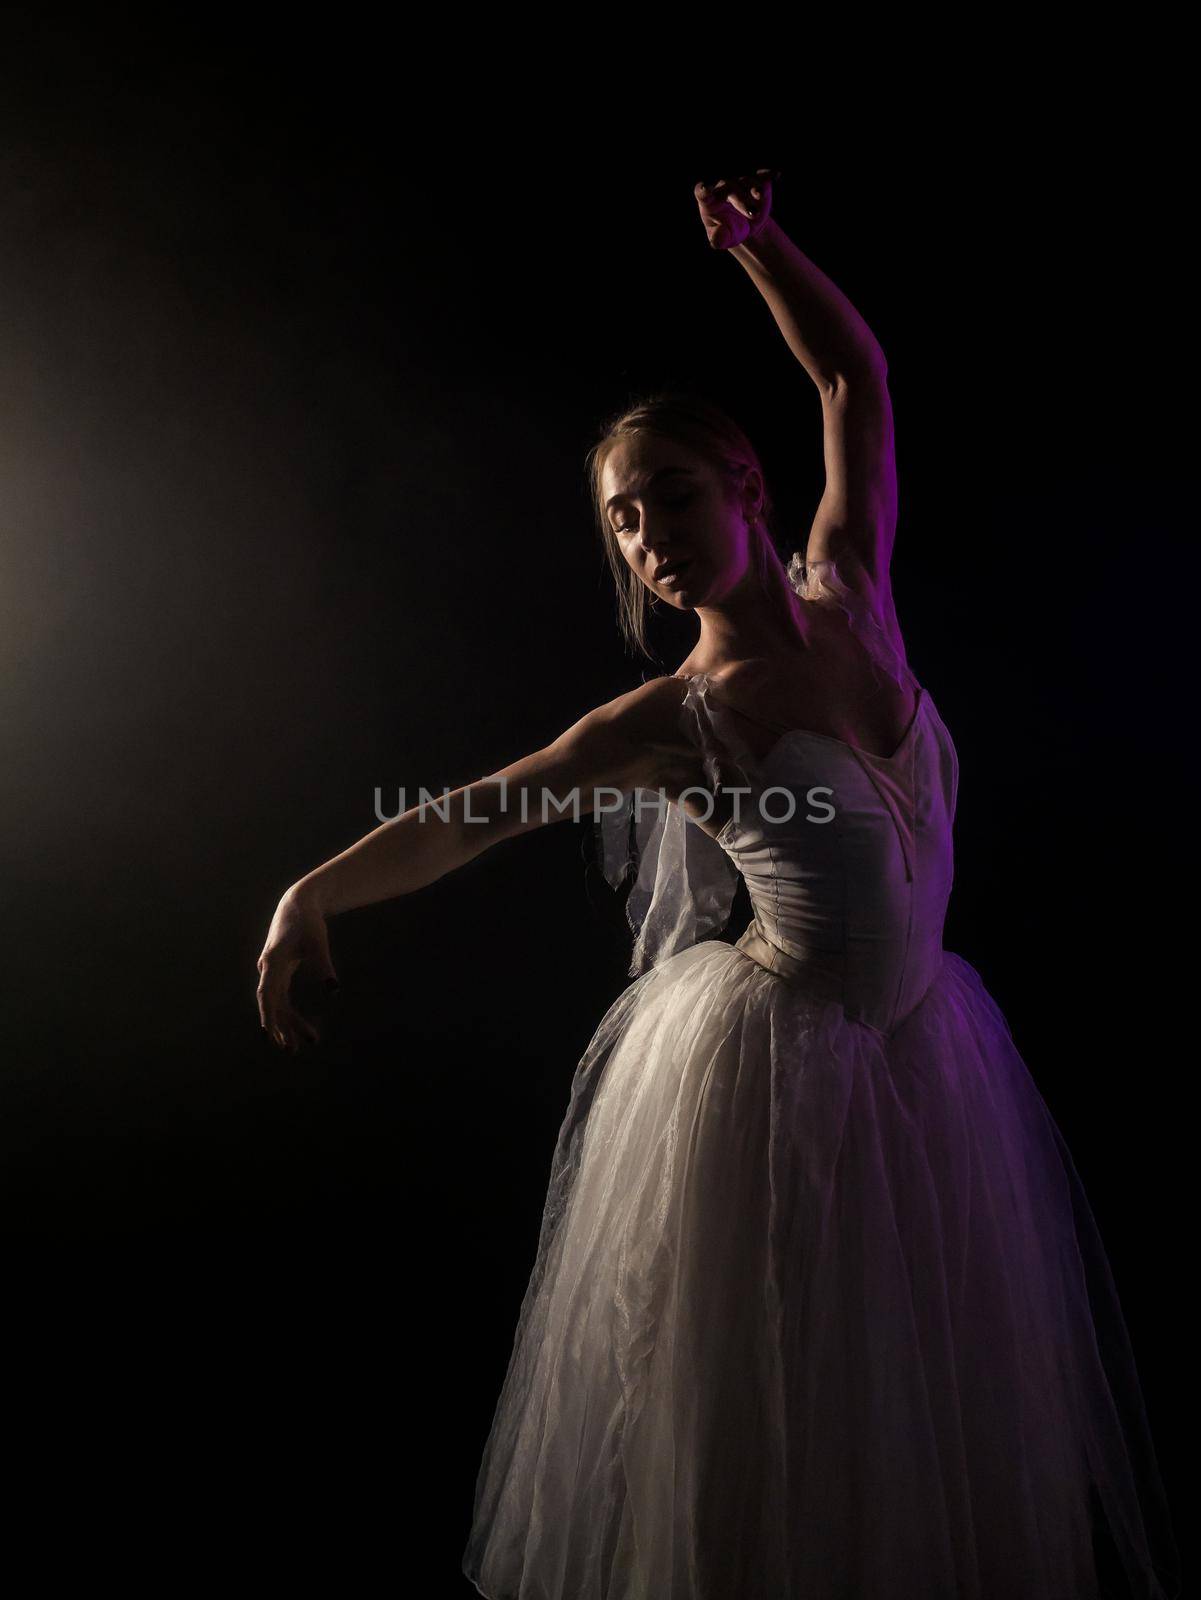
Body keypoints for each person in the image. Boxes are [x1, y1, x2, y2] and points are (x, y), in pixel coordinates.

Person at [256, 172, 1181, 1599]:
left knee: (917, 1403)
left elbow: (851, 374)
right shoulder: (667, 722)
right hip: (778, 1070)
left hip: (924, 1049)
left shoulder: (850, 591)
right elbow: (467, 818)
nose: (646, 537)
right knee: (777, 1408)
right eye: (622, 522)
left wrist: (756, 242)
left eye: (668, 497)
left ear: (744, 486)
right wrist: (307, 893)